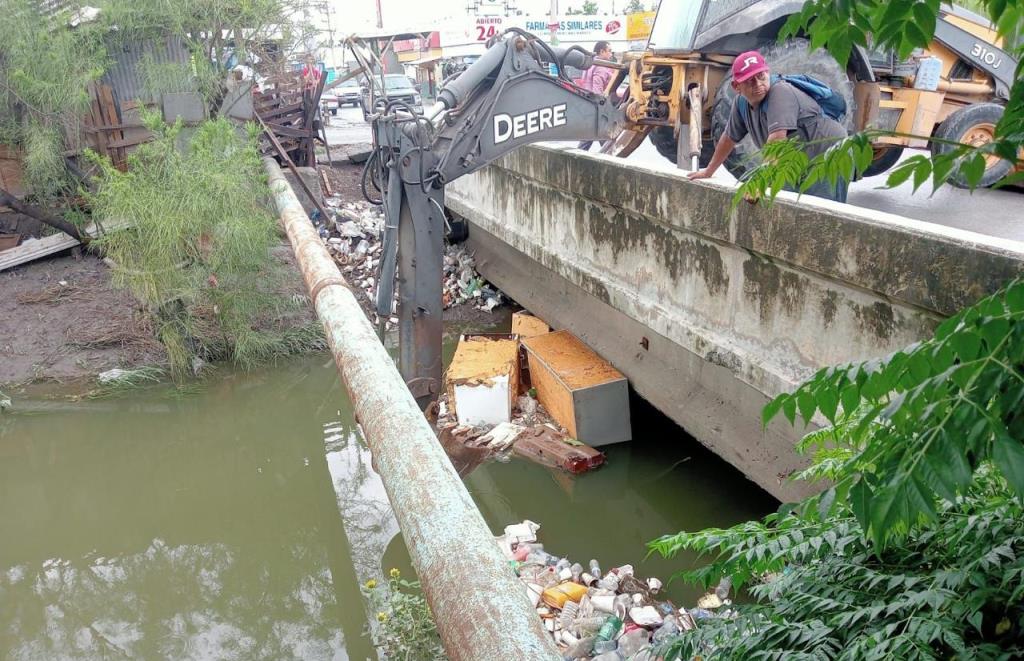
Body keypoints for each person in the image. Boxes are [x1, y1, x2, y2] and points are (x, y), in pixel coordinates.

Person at [688, 50, 849, 203]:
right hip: (794, 158)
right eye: (750, 81)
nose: (758, 84)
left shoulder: (780, 92)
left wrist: (759, 183)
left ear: (768, 72)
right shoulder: (741, 103)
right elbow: (728, 138)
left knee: (820, 207)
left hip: (827, 151)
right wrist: (708, 171)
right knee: (785, 202)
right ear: (737, 87)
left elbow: (777, 140)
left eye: (761, 76)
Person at [578, 41, 615, 152]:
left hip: (587, 104)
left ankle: (577, 157)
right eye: (609, 51)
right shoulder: (601, 67)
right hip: (597, 107)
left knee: (590, 137)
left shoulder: (590, 64)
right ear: (602, 51)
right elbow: (597, 91)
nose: (611, 54)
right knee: (604, 138)